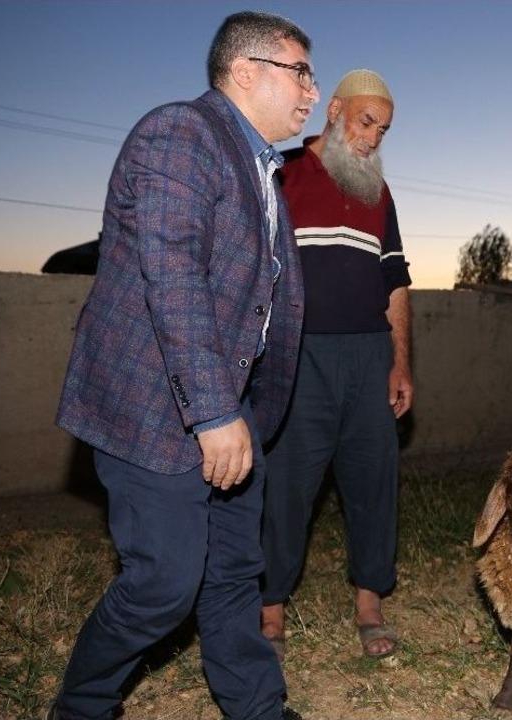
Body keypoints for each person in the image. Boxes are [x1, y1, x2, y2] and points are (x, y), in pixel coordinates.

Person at [50, 12, 318, 720]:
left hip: (230, 411)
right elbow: (172, 277)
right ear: (246, 72)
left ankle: (257, 708)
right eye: (301, 72)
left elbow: (259, 302)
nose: (312, 93)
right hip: (154, 406)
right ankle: (80, 708)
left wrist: (246, 414)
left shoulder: (265, 171)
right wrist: (213, 411)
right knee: (164, 585)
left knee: (234, 573)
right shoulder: (181, 134)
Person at [259, 69, 413, 661]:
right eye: (365, 122)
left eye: (384, 129)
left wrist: (400, 362)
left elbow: (395, 282)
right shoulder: (284, 175)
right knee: (287, 487)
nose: (373, 138)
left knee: (374, 481)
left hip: (371, 354)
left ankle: (370, 603)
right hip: (302, 357)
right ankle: (269, 609)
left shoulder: (381, 193)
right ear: (335, 111)